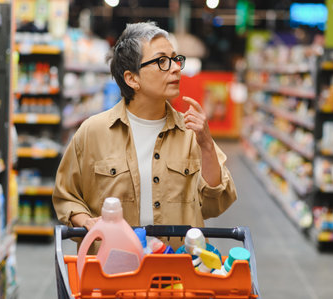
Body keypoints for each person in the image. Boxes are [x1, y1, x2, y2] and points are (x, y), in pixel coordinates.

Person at [52, 21, 237, 250]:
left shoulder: (191, 133)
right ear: (132, 79)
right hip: (111, 272)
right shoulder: (92, 133)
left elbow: (216, 204)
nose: (176, 68)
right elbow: (66, 196)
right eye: (162, 61)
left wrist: (207, 145)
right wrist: (85, 221)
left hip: (179, 273)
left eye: (175, 59)